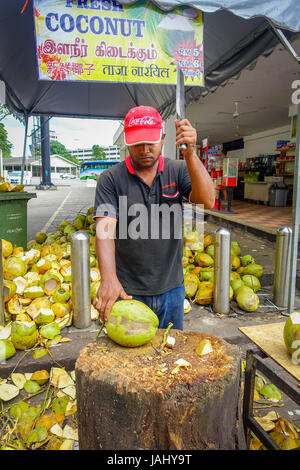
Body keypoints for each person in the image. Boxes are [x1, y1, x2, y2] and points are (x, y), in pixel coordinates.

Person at [93, 105, 215, 329]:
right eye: (138, 143)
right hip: (128, 292)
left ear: (163, 137)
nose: (145, 149)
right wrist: (108, 279)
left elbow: (206, 201)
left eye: (151, 141)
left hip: (173, 290)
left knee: (169, 354)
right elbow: (105, 230)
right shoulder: (110, 179)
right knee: (133, 360)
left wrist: (191, 154)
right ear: (127, 142)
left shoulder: (177, 170)